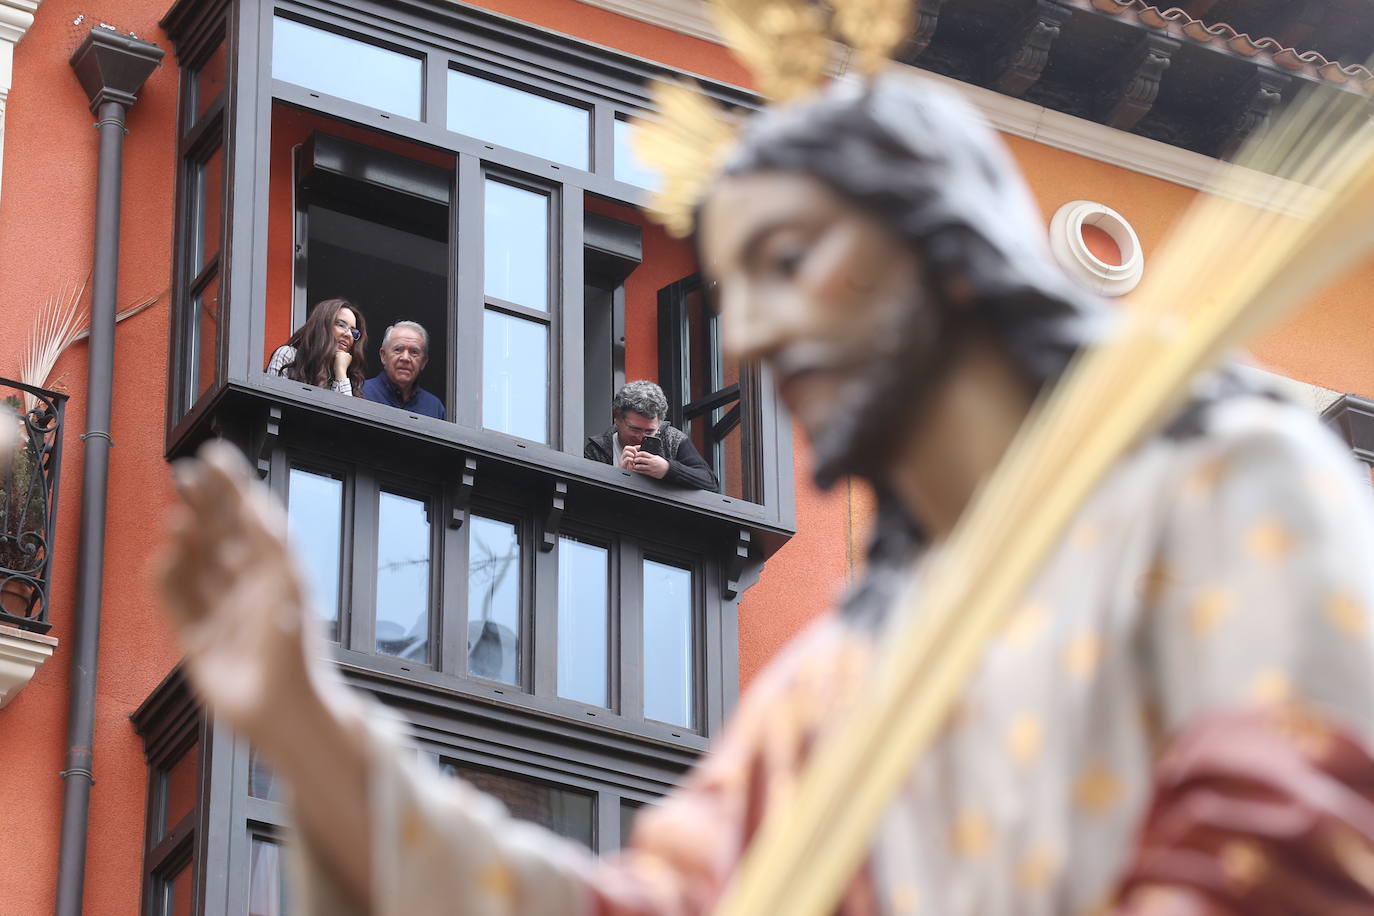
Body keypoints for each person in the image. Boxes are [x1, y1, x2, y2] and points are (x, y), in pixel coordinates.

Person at [161, 73, 1374, 915]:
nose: (755, 328)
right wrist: (307, 719)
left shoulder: (1221, 485)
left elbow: (1288, 840)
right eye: (737, 289)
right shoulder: (833, 686)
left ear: (944, 247)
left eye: (792, 258)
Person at [585, 380, 719, 490]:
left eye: (649, 431)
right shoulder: (597, 450)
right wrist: (619, 476)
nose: (641, 437)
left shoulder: (673, 439)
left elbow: (710, 482)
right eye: (634, 429)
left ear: (659, 424)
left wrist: (667, 469)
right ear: (617, 419)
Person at [265, 298, 367, 397]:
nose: (349, 334)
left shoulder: (346, 375)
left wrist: (340, 371)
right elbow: (272, 403)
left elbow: (346, 412)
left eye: (354, 332)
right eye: (341, 325)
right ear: (322, 327)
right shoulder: (288, 355)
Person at [361, 320, 446, 420]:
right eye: (398, 350)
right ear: (383, 356)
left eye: (414, 352)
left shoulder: (434, 408)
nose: (405, 358)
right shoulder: (361, 393)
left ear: (423, 362)